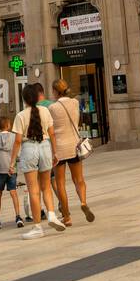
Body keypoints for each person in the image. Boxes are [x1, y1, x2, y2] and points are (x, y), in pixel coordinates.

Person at [9, 84, 65, 239]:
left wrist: (12, 162)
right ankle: (52, 214)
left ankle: (37, 227)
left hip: (29, 150)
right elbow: (52, 134)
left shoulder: (20, 116)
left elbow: (18, 141)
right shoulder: (46, 111)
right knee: (46, 186)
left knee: (34, 190)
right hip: (46, 147)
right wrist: (55, 153)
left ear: (25, 99)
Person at [49, 80, 94, 226]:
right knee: (79, 179)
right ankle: (83, 201)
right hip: (74, 145)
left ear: (55, 91)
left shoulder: (52, 108)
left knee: (60, 183)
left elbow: (51, 130)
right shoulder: (75, 103)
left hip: (59, 149)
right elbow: (78, 121)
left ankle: (67, 216)